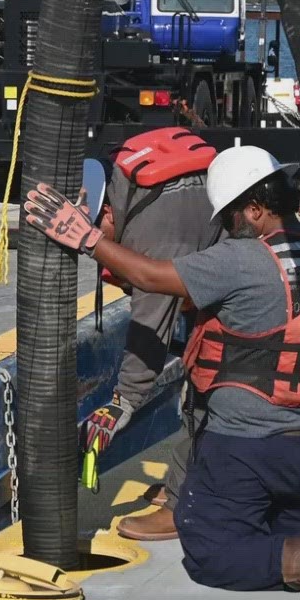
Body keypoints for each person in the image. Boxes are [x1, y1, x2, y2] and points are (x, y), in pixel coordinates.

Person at [23, 147, 300, 594]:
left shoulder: (242, 260)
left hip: (247, 450)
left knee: (214, 552)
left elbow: (155, 278)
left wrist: (88, 239)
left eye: (231, 216)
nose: (227, 228)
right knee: (292, 538)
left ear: (255, 209)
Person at [79, 129, 223, 541]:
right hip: (235, 278)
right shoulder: (142, 189)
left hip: (258, 300)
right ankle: (196, 481)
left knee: (212, 387)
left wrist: (123, 401)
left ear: (108, 212)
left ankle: (186, 503)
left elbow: (151, 328)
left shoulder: (151, 234)